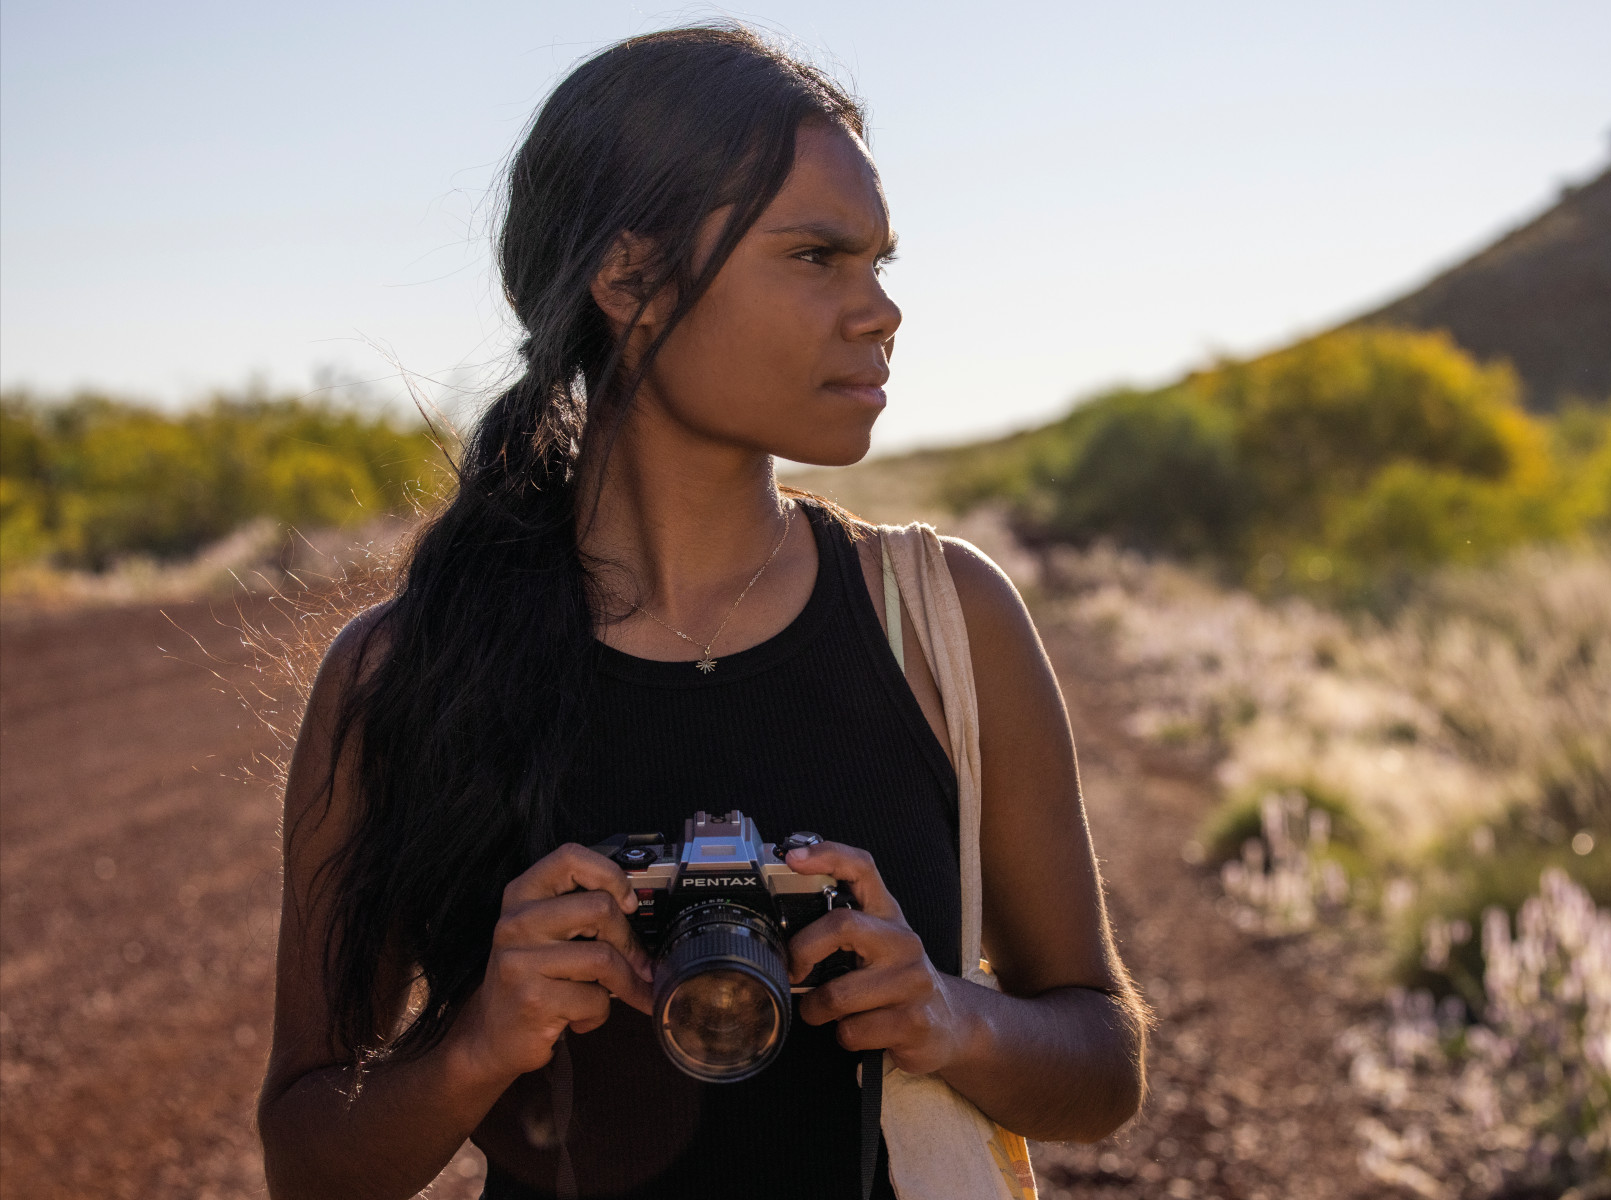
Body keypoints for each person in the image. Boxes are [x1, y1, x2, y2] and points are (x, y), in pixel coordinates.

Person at [256, 25, 1147, 1200]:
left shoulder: (943, 620)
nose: (879, 310)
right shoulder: (399, 677)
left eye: (881, 261)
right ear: (630, 279)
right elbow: (309, 1161)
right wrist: (476, 1044)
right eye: (817, 256)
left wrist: (949, 1017)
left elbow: (1105, 1063)